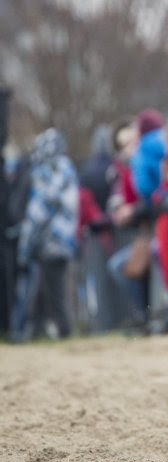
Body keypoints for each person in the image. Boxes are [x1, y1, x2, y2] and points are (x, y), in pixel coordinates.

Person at [12, 129, 79, 343]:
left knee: (53, 291)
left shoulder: (45, 171)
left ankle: (63, 332)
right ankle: (37, 329)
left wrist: (26, 246)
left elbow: (38, 212)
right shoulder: (67, 168)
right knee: (49, 288)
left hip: (48, 241)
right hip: (64, 240)